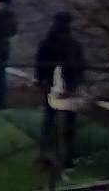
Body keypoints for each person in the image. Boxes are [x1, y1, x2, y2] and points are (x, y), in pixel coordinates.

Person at [37, 12, 87, 169]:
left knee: (49, 120)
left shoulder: (47, 43)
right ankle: (68, 158)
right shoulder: (74, 45)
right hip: (70, 87)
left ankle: (45, 154)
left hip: (51, 86)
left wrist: (40, 80)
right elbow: (81, 66)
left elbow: (40, 64)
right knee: (69, 124)